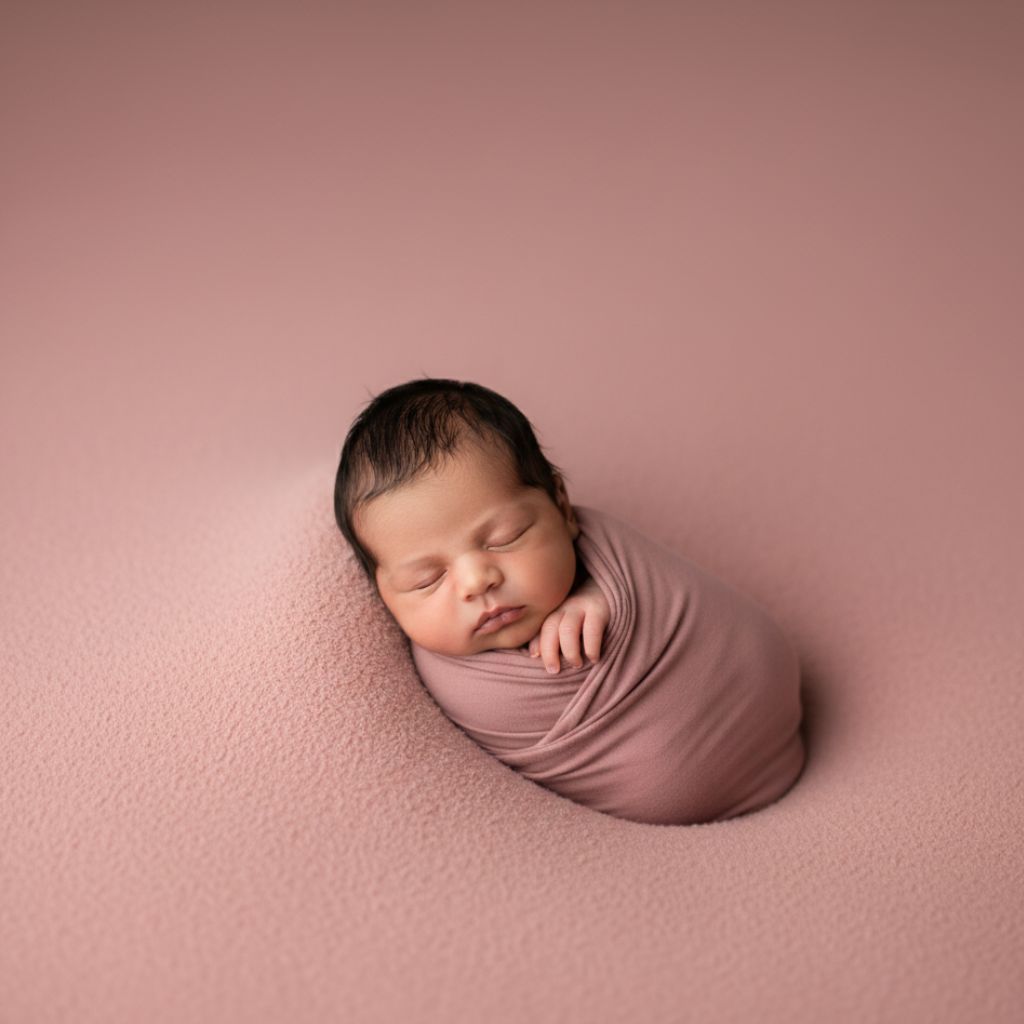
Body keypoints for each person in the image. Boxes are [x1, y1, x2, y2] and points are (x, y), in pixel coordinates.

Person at [334, 376, 610, 673]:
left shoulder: (616, 565)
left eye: (506, 538)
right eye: (426, 579)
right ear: (384, 596)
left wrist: (606, 595)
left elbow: (660, 591)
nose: (476, 582)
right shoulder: (423, 679)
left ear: (562, 508)